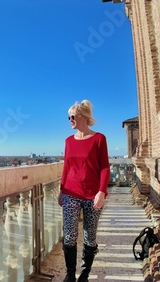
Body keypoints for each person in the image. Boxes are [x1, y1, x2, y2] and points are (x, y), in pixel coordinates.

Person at [58, 100, 110, 282]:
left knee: (90, 235)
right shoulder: (68, 141)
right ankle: (70, 274)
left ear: (83, 117)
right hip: (70, 192)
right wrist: (61, 190)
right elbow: (66, 167)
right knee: (70, 234)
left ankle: (85, 274)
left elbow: (104, 167)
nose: (69, 120)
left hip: (93, 194)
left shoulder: (99, 139)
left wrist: (102, 191)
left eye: (72, 117)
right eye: (68, 117)